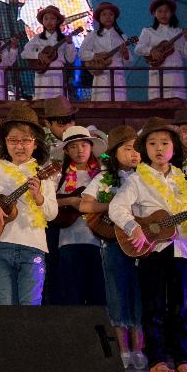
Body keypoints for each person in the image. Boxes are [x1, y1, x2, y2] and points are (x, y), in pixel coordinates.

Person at [109, 118, 187, 372]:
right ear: (144, 148)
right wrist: (134, 228)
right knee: (154, 307)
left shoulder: (185, 184)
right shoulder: (137, 180)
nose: (159, 148)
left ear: (174, 149)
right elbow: (117, 208)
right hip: (151, 250)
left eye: (164, 143)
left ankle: (183, 360)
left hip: (182, 249)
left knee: (181, 307)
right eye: (152, 143)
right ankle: (157, 359)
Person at [0, 103, 58, 305]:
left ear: (35, 144)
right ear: (5, 142)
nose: (19, 146)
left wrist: (39, 198)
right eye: (13, 140)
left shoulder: (44, 175)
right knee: (5, 307)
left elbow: (51, 214)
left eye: (25, 140)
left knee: (30, 308)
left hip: (33, 248)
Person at [80, 125, 146, 369]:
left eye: (138, 149)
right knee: (117, 292)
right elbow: (85, 206)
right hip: (113, 242)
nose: (134, 154)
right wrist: (115, 208)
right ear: (115, 153)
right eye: (128, 149)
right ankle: (123, 349)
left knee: (139, 294)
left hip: (142, 243)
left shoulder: (147, 177)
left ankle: (139, 348)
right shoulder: (104, 178)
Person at [54, 125, 106, 307]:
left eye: (84, 145)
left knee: (98, 297)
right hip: (68, 242)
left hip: (99, 242)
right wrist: (71, 201)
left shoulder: (102, 175)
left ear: (91, 147)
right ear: (67, 151)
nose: (80, 150)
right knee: (71, 297)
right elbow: (48, 203)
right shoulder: (58, 176)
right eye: (74, 146)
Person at [136, 0, 187, 100]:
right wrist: (151, 50)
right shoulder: (148, 31)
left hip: (175, 76)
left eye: (167, 11)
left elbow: (186, 55)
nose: (163, 14)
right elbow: (138, 49)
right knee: (157, 107)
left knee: (176, 105)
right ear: (154, 13)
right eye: (160, 11)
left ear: (172, 13)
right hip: (157, 75)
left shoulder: (178, 32)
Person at [22, 6, 77, 99]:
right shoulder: (38, 38)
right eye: (46, 19)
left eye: (52, 19)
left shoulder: (64, 39)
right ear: (42, 21)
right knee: (42, 102)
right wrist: (38, 55)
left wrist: (70, 43)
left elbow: (71, 59)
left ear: (58, 21)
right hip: (42, 74)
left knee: (58, 102)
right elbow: (24, 53)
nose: (49, 22)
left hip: (58, 74)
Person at [79, 2, 130, 102]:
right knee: (102, 103)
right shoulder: (93, 35)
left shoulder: (122, 37)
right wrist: (95, 55)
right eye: (104, 14)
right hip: (101, 74)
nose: (108, 17)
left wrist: (125, 54)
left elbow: (128, 61)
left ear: (114, 17)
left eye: (111, 14)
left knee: (119, 103)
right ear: (99, 18)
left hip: (117, 75)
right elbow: (81, 53)